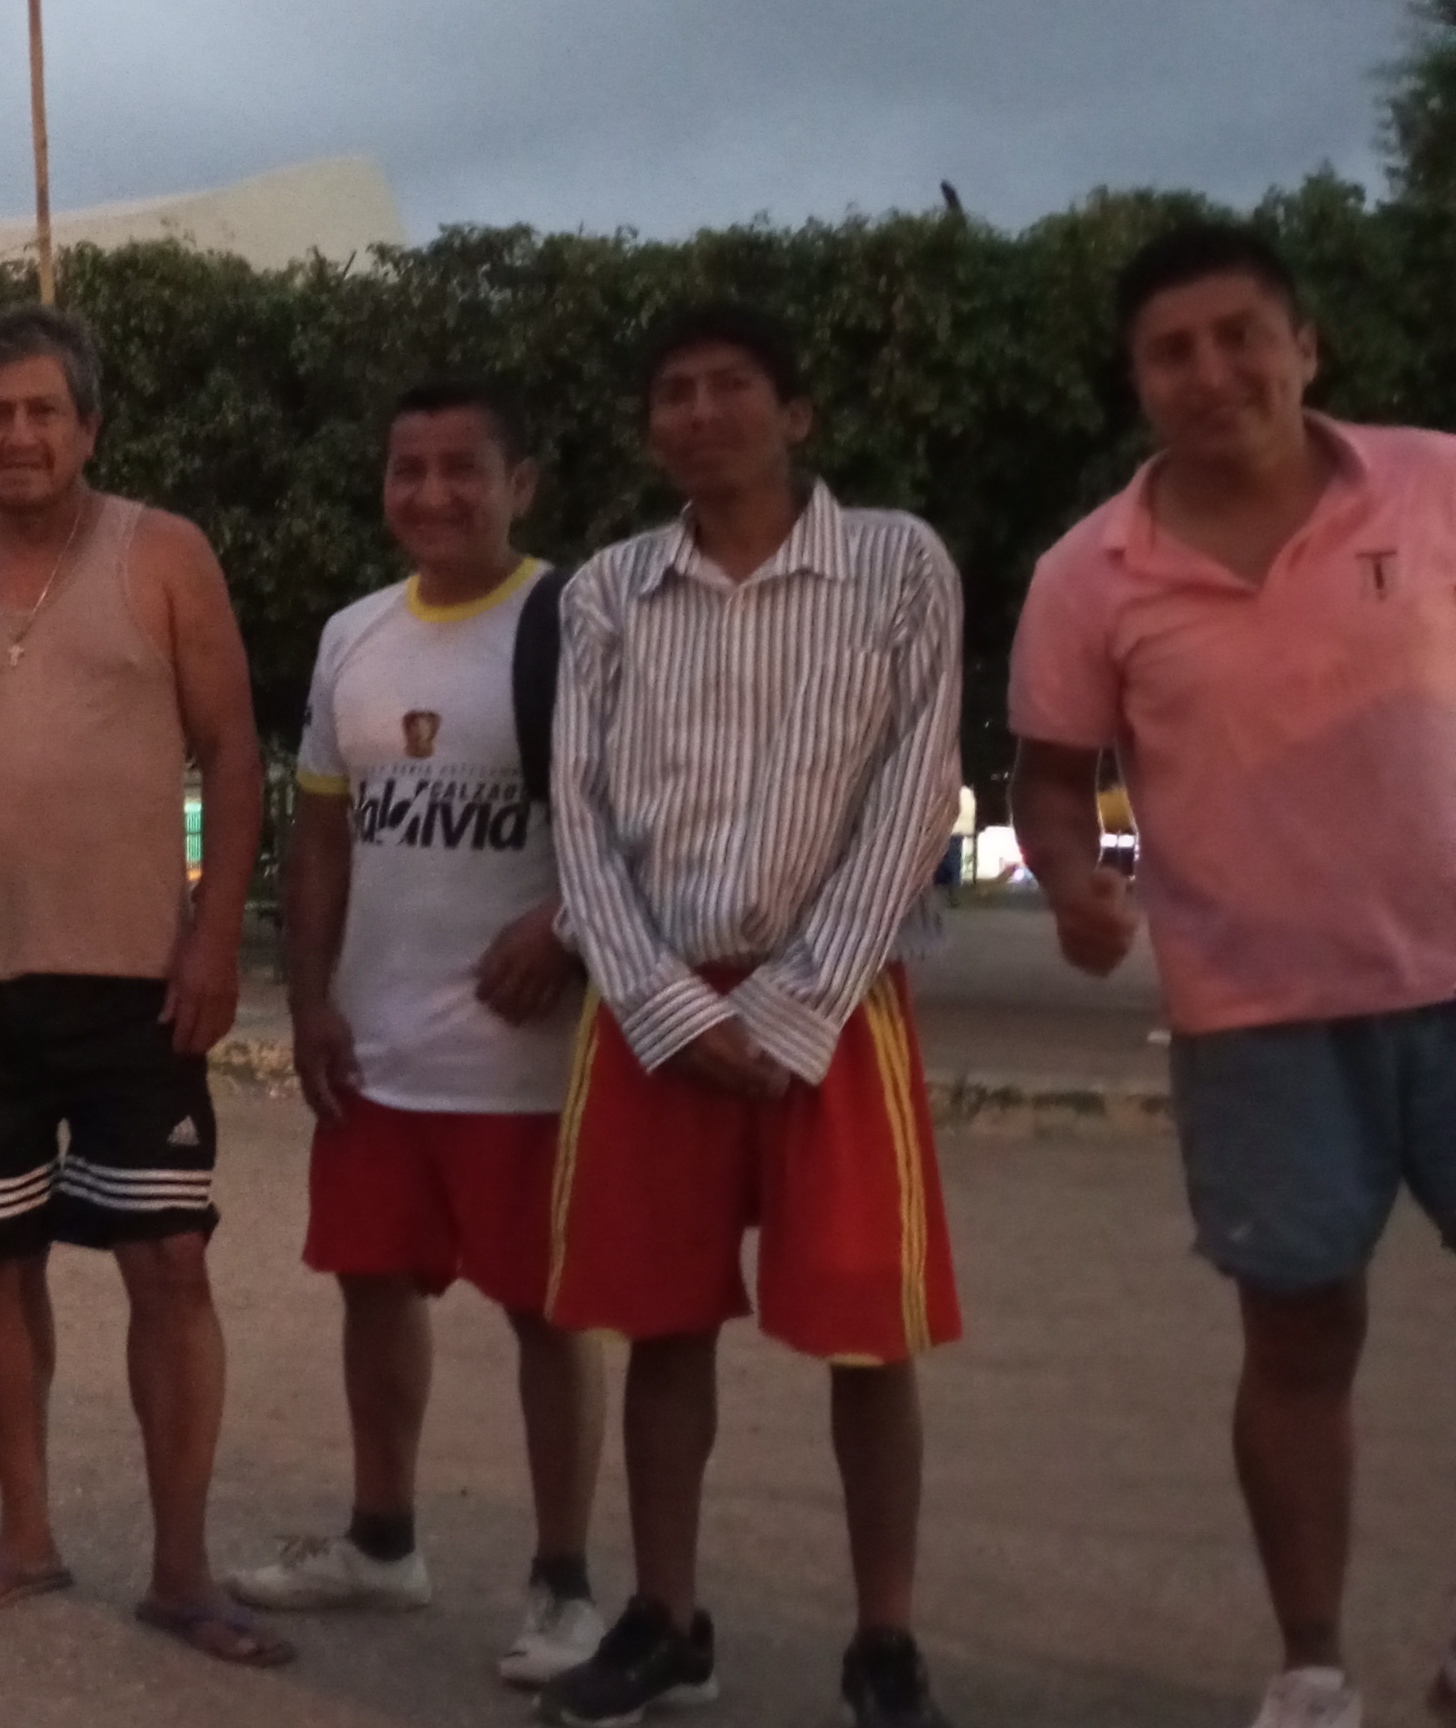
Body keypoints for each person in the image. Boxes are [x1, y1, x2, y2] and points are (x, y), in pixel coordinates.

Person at [1010, 223, 1456, 1728]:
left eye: (1240, 336)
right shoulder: (1089, 573)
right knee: (1300, 1337)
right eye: (1171, 352)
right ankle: (1312, 1666)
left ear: (1304, 347)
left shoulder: (1437, 486)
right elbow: (1052, 777)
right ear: (1139, 382)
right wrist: (1073, 880)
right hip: (1258, 1021)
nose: (1212, 372)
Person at [536, 303, 962, 1728]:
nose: (702, 412)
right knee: (660, 1324)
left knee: (867, 1331)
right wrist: (661, 1001)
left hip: (834, 1003)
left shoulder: (898, 563)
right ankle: (666, 1620)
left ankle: (884, 1641)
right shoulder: (609, 592)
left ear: (798, 414)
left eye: (733, 386)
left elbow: (918, 794)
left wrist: (795, 1004)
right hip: (651, 1005)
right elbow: (577, 813)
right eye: (674, 391)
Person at [0, 304, 277, 1664]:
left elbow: (233, 752)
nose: (19, 434)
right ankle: (25, 1533)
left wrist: (212, 936)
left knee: (168, 1260)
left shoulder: (163, 556)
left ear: (89, 426)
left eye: (44, 410)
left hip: (135, 982)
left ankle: (182, 1567)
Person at [227, 380, 607, 1688]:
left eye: (463, 469)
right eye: (409, 470)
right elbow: (323, 834)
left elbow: (639, 817)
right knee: (373, 1285)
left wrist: (564, 926)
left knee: (547, 1313)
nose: (433, 494)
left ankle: (567, 1584)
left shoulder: (577, 627)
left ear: (522, 485)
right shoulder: (355, 636)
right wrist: (311, 998)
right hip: (379, 1049)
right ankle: (383, 1540)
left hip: (527, 1058)